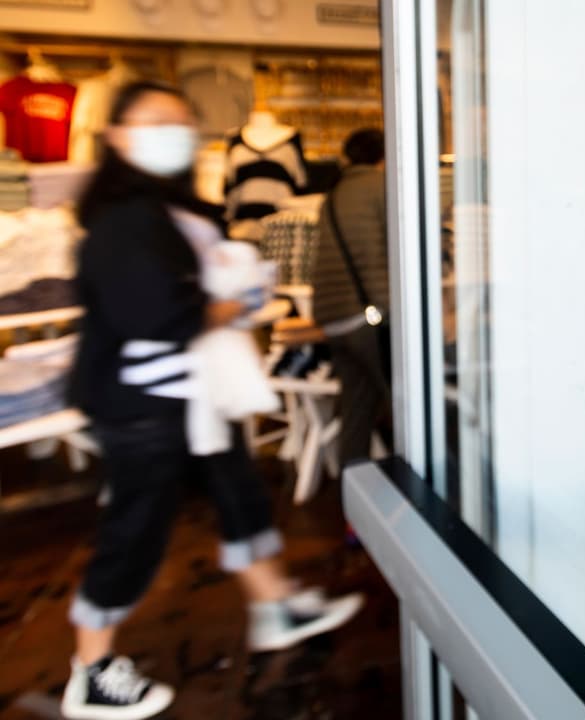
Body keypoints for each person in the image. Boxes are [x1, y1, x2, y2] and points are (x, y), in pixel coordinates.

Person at [62, 81, 362, 720]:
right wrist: (230, 303)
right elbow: (153, 314)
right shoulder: (121, 219)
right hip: (143, 404)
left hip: (196, 395)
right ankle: (91, 670)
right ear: (116, 136)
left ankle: (274, 605)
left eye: (183, 121)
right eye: (156, 121)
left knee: (240, 496)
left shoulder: (166, 207)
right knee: (136, 530)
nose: (175, 132)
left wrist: (231, 288)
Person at [276, 128, 391, 465]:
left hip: (333, 320)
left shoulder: (334, 193)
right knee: (408, 404)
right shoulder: (382, 187)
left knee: (356, 412)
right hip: (367, 319)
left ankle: (350, 489)